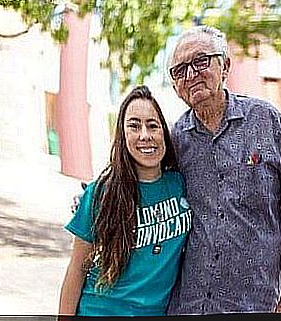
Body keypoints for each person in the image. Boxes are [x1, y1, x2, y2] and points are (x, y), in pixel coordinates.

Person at [165, 25, 281, 314]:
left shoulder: (267, 121)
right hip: (188, 306)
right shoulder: (176, 140)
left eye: (200, 61)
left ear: (225, 66)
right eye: (180, 70)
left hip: (252, 306)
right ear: (175, 87)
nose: (191, 74)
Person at [59, 85, 193, 316]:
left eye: (153, 125)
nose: (144, 135)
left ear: (164, 132)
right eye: (134, 126)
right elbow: (78, 269)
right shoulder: (102, 192)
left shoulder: (181, 185)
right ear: (123, 134)